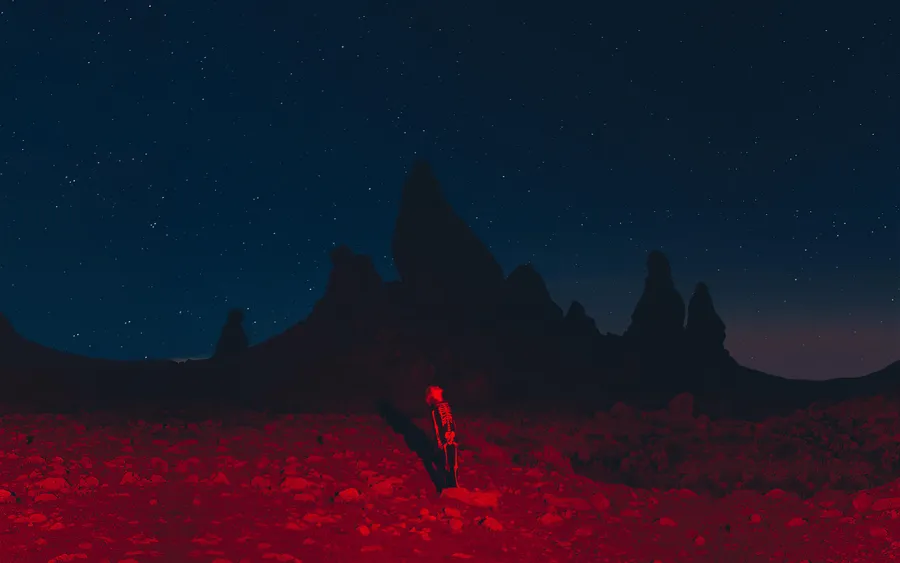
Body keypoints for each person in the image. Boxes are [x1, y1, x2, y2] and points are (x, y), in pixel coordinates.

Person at [425, 385, 459, 488]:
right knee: (445, 461)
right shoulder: (435, 410)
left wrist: (454, 434)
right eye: (434, 387)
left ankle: (454, 483)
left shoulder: (446, 405)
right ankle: (446, 484)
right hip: (443, 440)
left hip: (452, 437)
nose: (437, 387)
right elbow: (436, 426)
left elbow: (452, 421)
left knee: (454, 461)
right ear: (433, 395)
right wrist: (440, 441)